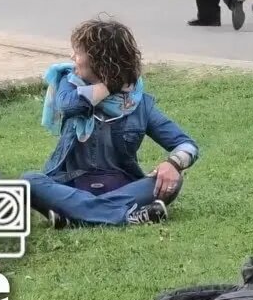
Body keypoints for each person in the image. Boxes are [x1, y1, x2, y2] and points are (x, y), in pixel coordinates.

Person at [23, 18, 199, 228]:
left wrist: (172, 164)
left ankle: (75, 217)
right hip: (69, 185)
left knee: (174, 180)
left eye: (78, 53)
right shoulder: (68, 83)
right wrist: (110, 84)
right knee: (29, 181)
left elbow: (187, 145)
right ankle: (124, 217)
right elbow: (70, 107)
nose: (72, 57)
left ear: (99, 61)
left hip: (122, 187)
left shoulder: (138, 104)